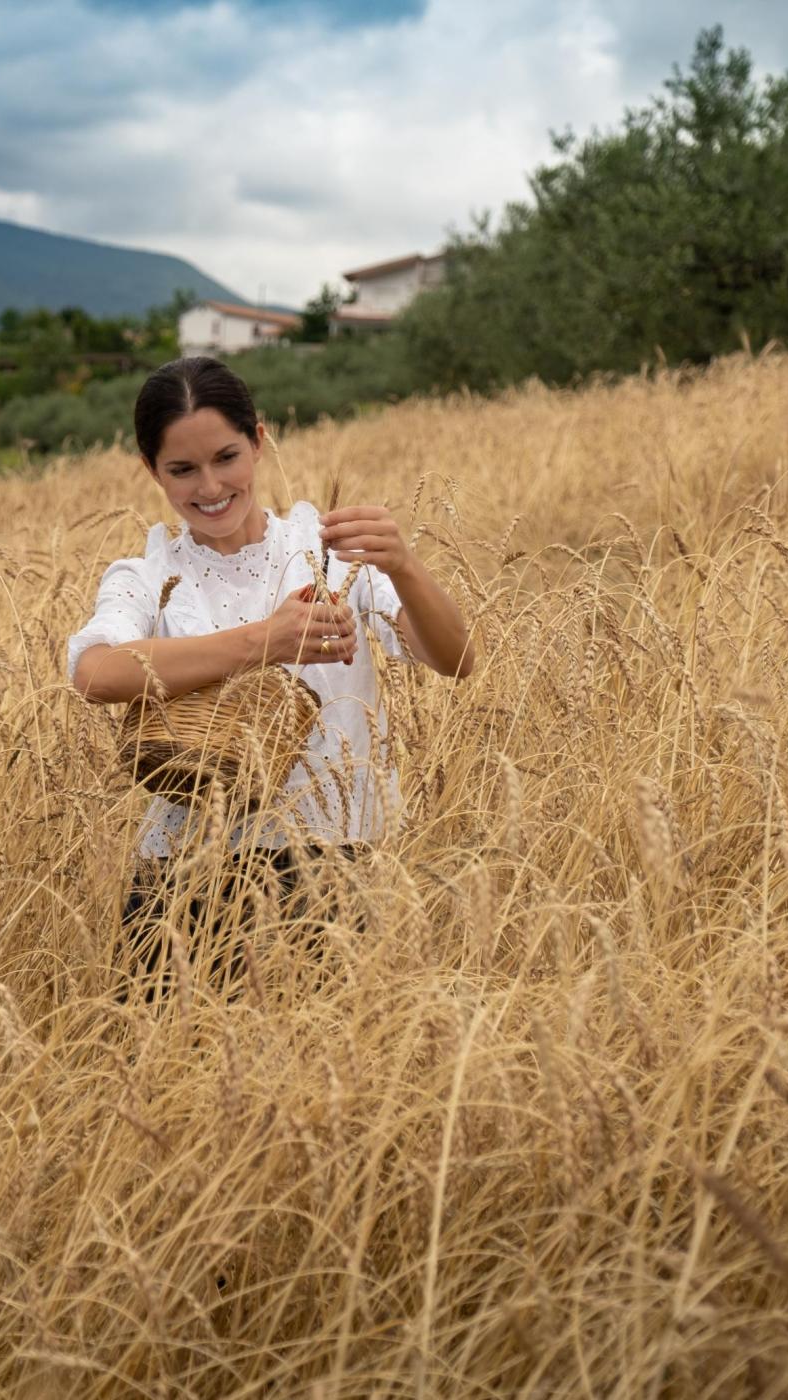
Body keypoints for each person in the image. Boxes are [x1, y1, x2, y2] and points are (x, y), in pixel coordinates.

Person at [67, 356, 474, 995]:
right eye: (182, 469)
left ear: (258, 441)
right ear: (152, 471)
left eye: (226, 457)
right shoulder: (145, 575)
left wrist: (404, 566)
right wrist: (265, 642)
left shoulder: (327, 554)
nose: (209, 486)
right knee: (176, 1088)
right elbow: (95, 673)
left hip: (334, 870)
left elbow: (456, 659)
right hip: (182, 886)